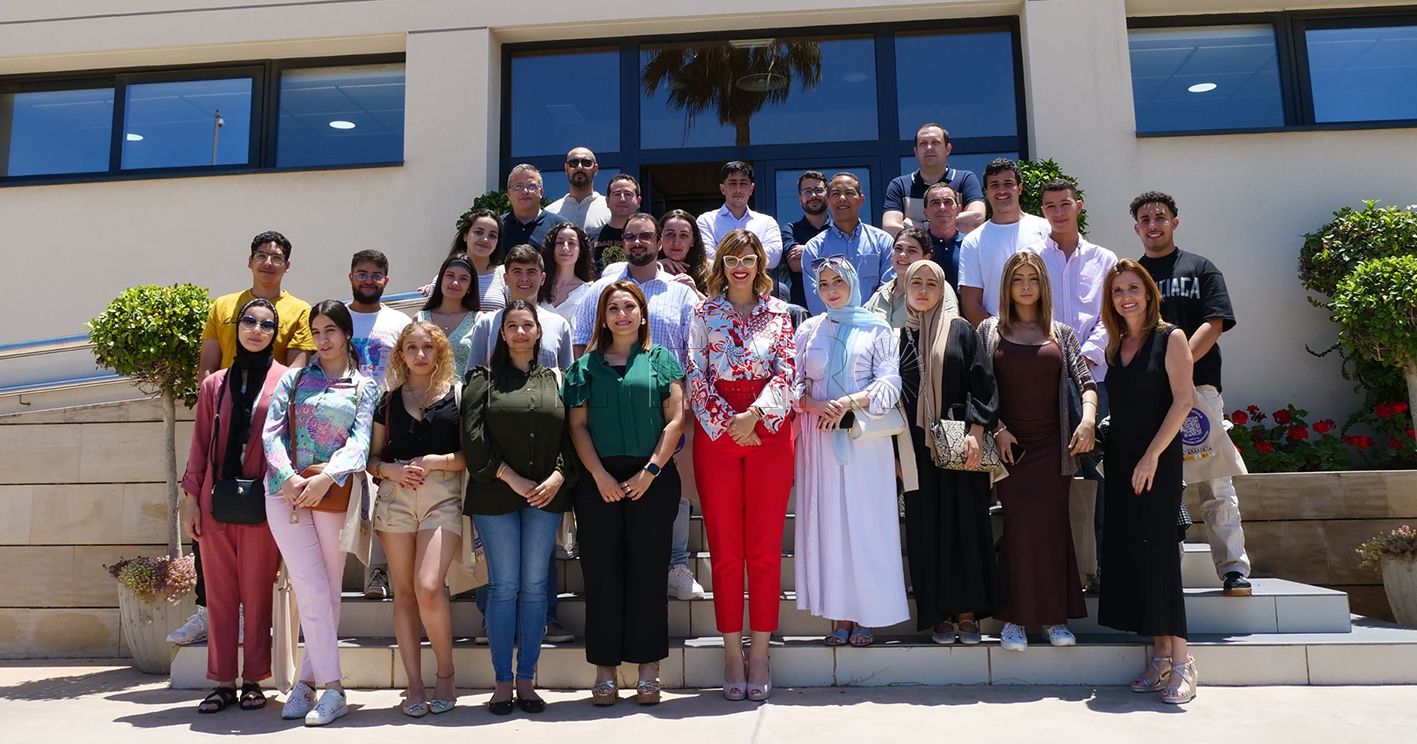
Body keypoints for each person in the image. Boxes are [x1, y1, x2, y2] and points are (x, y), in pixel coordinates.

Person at [172, 230, 317, 649]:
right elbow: (208, 365)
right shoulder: (223, 306)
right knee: (210, 515)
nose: (268, 262)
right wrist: (218, 407)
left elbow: (297, 373)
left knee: (263, 534)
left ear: (287, 265)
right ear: (250, 260)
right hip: (225, 421)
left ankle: (263, 628)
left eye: (276, 257)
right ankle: (207, 610)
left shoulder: (300, 310)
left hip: (269, 430)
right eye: (261, 255)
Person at [564, 281, 687, 706]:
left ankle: (649, 669)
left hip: (652, 478)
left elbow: (676, 419)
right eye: (613, 308)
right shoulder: (583, 367)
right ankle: (604, 670)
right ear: (603, 316)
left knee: (648, 573)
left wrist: (651, 470)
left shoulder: (663, 360)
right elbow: (577, 425)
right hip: (598, 482)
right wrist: (597, 476)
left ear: (642, 313)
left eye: (629, 307)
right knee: (601, 574)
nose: (622, 315)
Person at [686, 229, 796, 701]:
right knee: (727, 550)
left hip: (769, 432)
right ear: (721, 263)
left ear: (760, 263)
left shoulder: (780, 313)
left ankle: (762, 651)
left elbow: (787, 370)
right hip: (718, 434)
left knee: (765, 549)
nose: (740, 266)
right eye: (731, 258)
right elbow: (694, 370)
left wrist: (755, 416)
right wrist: (729, 421)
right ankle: (733, 651)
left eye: (748, 258)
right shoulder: (704, 312)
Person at [570, 213, 701, 601]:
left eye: (646, 236)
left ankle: (676, 564)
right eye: (631, 237)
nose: (638, 242)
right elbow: (581, 344)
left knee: (672, 490)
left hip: (670, 406)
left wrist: (687, 402)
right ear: (621, 242)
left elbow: (696, 346)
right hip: (611, 406)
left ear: (660, 242)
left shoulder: (681, 293)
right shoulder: (600, 291)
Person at [262, 300, 378, 726]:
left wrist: (326, 477)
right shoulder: (294, 378)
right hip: (284, 494)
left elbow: (360, 443)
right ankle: (334, 687)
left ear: (347, 333)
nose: (323, 338)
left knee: (328, 591)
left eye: (331, 329)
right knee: (309, 586)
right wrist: (290, 478)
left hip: (331, 493)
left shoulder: (365, 386)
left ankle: (307, 683)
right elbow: (270, 433)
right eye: (317, 330)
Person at [1133, 191, 1252, 596]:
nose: (1153, 224)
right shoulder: (1133, 274)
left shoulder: (1200, 268)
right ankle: (1168, 574)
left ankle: (1234, 570)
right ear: (1137, 227)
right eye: (1145, 219)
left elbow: (1215, 322)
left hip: (1199, 389)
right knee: (1164, 485)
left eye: (1160, 217)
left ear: (1174, 222)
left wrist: (1178, 366)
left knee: (1216, 483)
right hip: (1151, 393)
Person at [462, 300, 577, 715]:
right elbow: (473, 443)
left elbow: (572, 435)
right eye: (512, 325)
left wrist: (558, 477)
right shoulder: (482, 379)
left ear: (537, 331)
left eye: (527, 325)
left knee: (533, 589)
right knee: (503, 587)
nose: (521, 332)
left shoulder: (558, 379)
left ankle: (527, 679)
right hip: (496, 496)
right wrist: (512, 477)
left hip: (546, 496)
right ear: (501, 333)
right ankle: (501, 682)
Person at [978, 252, 1096, 651]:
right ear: (1007, 286)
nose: (1025, 286)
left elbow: (1086, 381)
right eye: (1018, 279)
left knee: (1052, 528)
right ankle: (1013, 619)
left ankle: (1054, 619)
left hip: (1055, 445)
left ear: (1043, 285)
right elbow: (978, 388)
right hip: (1010, 448)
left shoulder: (1060, 332)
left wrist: (1089, 419)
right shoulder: (990, 331)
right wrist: (997, 429)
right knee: (1018, 530)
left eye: (1032, 278)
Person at [793, 257, 908, 647]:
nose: (830, 290)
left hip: (863, 442)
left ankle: (868, 617)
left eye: (837, 281)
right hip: (820, 440)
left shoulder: (877, 328)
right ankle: (839, 618)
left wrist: (848, 402)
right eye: (823, 283)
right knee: (830, 526)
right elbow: (792, 384)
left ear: (853, 282)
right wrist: (813, 405)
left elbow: (890, 381)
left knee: (865, 524)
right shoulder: (809, 330)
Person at [180, 298, 288, 713]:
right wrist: (190, 498)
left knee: (257, 594)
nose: (256, 330)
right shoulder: (215, 384)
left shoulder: (285, 381)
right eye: (249, 322)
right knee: (221, 596)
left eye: (265, 324)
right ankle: (224, 681)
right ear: (237, 327)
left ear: (274, 333)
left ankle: (254, 680)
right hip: (216, 501)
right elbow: (200, 444)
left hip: (263, 503)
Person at [1098, 258, 1197, 704]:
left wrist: (1152, 456)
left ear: (1148, 292)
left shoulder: (1170, 337)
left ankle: (1183, 661)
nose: (1126, 297)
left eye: (1133, 288)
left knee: (1158, 556)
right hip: (1122, 462)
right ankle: (1158, 657)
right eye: (1118, 291)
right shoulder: (1116, 344)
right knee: (1134, 555)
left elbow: (1183, 403)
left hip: (1156, 461)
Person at [896, 260, 999, 646]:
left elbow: (983, 382)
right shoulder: (899, 337)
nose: (923, 290)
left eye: (930, 283)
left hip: (960, 443)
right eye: (915, 283)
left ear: (942, 290)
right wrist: (894, 455)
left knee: (966, 525)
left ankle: (968, 612)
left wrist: (977, 429)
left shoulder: (961, 331)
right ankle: (939, 613)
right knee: (927, 529)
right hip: (916, 449)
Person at [365, 321, 465, 717]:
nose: (420, 355)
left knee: (428, 586)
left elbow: (469, 457)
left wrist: (435, 462)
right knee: (403, 593)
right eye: (412, 348)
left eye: (428, 347)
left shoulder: (457, 397)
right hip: (396, 500)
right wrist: (391, 471)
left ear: (439, 352)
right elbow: (372, 460)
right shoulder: (386, 402)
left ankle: (445, 674)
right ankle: (414, 684)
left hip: (442, 497)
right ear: (401, 354)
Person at [1027, 179, 1117, 591]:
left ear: (1078, 206)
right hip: (1043, 384)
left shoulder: (1104, 258)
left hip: (1093, 381)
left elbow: (1111, 317)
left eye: (1065, 204)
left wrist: (1082, 356)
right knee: (1051, 478)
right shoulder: (1031, 259)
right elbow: (1026, 311)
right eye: (1050, 206)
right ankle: (1062, 571)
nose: (1059, 212)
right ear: (1042, 210)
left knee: (1098, 476)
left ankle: (1101, 568)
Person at [347, 249, 412, 600]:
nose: (368, 280)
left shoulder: (400, 323)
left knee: (382, 497)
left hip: (386, 419)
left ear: (386, 280)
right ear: (351, 277)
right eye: (362, 273)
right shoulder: (337, 317)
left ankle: (376, 572)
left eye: (375, 275)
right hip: (342, 422)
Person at [958, 158, 1052, 326]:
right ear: (986, 192)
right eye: (994, 185)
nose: (1001, 191)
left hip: (1046, 334)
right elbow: (970, 304)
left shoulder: (1047, 230)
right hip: (998, 342)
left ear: (1020, 188)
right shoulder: (973, 241)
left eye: (1008, 184)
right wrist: (1000, 337)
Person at [800, 172, 896, 315]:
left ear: (861, 199)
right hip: (832, 329)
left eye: (849, 193)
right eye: (836, 194)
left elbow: (889, 289)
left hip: (875, 325)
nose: (842, 198)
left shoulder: (883, 241)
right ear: (828, 200)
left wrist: (865, 320)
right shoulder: (814, 248)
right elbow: (816, 298)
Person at [882, 123, 986, 236]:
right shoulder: (899, 186)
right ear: (916, 152)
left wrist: (923, 227)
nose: (929, 148)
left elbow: (976, 219)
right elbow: (890, 228)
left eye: (935, 142)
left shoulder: (965, 180)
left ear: (948, 149)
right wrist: (949, 221)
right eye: (923, 143)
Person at [865, 226, 957, 327]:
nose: (902, 255)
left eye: (912, 251)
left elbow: (951, 329)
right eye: (898, 249)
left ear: (926, 258)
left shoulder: (939, 289)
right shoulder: (881, 293)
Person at [696, 161, 783, 266]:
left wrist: (728, 258)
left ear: (751, 189)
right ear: (723, 189)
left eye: (743, 183)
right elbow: (706, 257)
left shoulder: (767, 222)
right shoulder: (706, 221)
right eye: (732, 183)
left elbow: (773, 258)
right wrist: (751, 258)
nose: (738, 189)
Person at [417, 253, 481, 377]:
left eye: (463, 279)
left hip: (464, 393)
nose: (455, 283)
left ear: (470, 287)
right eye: (450, 276)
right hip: (427, 393)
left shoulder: (478, 320)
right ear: (440, 279)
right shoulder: (420, 319)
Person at [777, 170, 831, 307]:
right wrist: (832, 254)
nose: (813, 195)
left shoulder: (838, 229)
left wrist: (806, 250)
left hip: (837, 305)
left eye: (818, 190)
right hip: (803, 309)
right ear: (800, 198)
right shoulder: (790, 230)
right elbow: (796, 265)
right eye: (807, 191)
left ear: (828, 195)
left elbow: (848, 262)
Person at [445, 208, 506, 312]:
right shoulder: (447, 273)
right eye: (479, 232)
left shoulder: (504, 275)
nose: (485, 239)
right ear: (465, 236)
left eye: (492, 235)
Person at [540, 222, 598, 329]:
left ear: (580, 250)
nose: (565, 248)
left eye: (571, 243)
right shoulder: (538, 286)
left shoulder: (589, 291)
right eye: (560, 242)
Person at [547, 147, 611, 235]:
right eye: (574, 163)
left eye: (586, 163)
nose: (580, 167)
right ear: (566, 169)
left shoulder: (610, 209)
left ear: (595, 169)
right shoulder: (550, 212)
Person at [589, 174, 643, 270]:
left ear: (638, 201)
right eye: (617, 194)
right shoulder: (590, 237)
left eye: (628, 194)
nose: (622, 199)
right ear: (607, 201)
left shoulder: (648, 236)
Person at [502, 164, 563, 249]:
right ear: (509, 194)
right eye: (518, 186)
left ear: (541, 192)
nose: (525, 191)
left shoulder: (559, 226)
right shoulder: (498, 226)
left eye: (531, 186)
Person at [923, 183, 966, 294]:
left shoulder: (971, 245)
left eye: (948, 202)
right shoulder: (917, 247)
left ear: (958, 209)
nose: (942, 208)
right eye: (935, 203)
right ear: (925, 212)